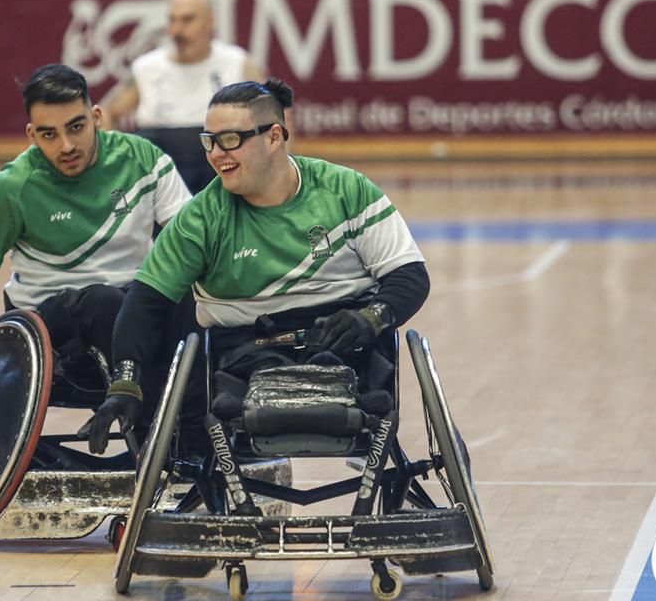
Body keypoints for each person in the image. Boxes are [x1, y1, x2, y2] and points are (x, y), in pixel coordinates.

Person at [80, 79, 430, 454]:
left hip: (343, 342)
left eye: (230, 139)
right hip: (245, 356)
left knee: (351, 358)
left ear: (274, 136)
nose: (216, 154)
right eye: (209, 141)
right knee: (236, 374)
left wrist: (370, 318)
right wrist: (125, 385)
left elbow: (409, 276)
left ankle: (327, 375)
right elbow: (145, 302)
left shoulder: (346, 190)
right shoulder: (199, 217)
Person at [0, 63, 192, 396]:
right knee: (103, 302)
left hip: (133, 309)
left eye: (76, 127)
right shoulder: (11, 188)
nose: (67, 145)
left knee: (188, 297)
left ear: (96, 117)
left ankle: (194, 423)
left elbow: (189, 245)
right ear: (31, 135)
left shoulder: (143, 159)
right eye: (49, 134)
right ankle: (151, 426)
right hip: (51, 329)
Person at [101, 0, 265, 194]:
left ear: (210, 21)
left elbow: (275, 117)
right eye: (172, 20)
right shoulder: (146, 68)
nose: (177, 30)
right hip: (158, 178)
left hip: (221, 176)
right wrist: (113, 166)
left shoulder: (238, 63)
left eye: (187, 20)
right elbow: (105, 112)